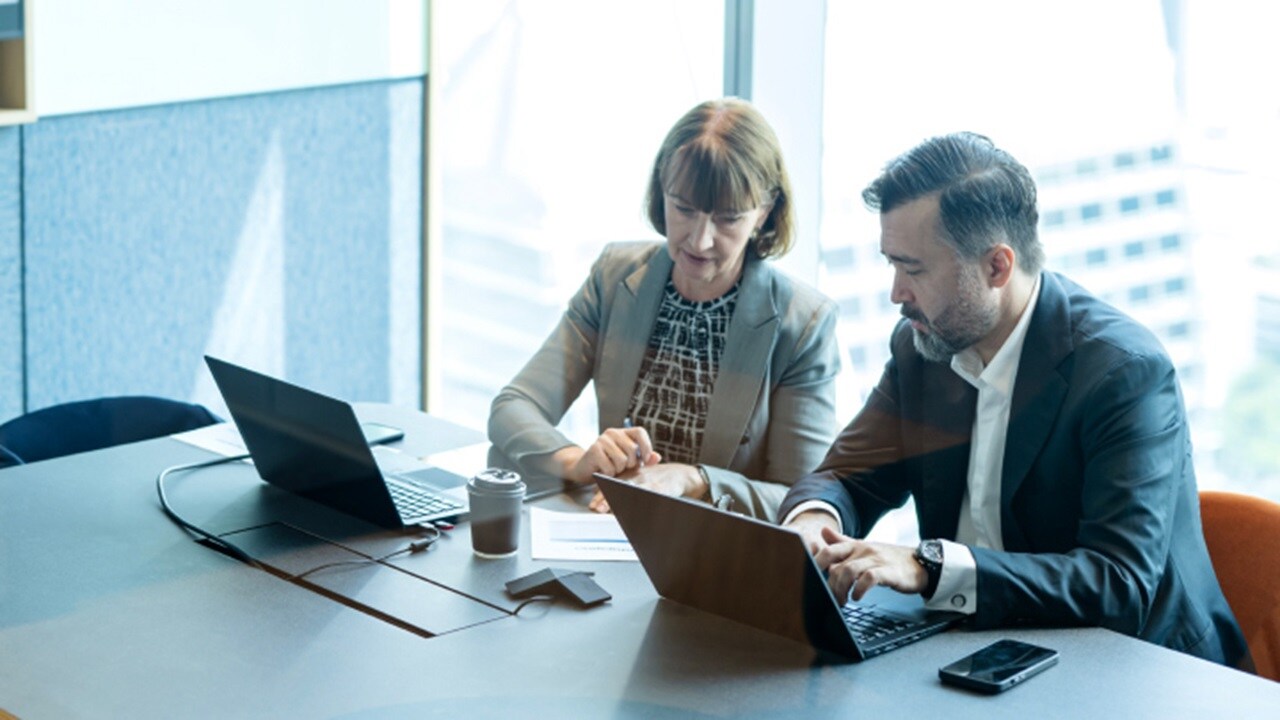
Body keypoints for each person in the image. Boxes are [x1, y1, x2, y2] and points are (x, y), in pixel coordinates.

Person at [779, 132, 1250, 667]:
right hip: (976, 649)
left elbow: (1118, 585)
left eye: (914, 269)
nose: (896, 293)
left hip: (1132, 671)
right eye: (892, 264)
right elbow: (850, 475)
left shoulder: (1124, 373)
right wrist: (811, 521)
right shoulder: (923, 347)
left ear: (997, 268)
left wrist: (931, 566)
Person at [488, 98, 841, 520]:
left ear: (764, 214)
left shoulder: (804, 323)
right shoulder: (615, 277)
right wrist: (575, 462)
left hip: (718, 555)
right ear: (662, 191)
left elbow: (802, 500)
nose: (699, 240)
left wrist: (697, 481)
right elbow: (513, 407)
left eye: (728, 219)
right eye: (684, 209)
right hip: (612, 533)